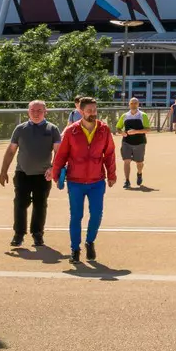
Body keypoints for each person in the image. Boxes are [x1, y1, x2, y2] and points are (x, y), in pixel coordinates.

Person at [48, 96, 117, 264]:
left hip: (97, 181)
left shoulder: (104, 130)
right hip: (75, 181)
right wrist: (56, 174)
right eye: (89, 111)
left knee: (96, 215)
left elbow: (109, 154)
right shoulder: (71, 131)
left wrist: (112, 174)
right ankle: (75, 249)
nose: (92, 113)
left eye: (95, 110)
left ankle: (90, 241)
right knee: (76, 215)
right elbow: (61, 155)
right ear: (81, 111)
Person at [0, 100, 61, 251]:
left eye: (39, 110)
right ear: (28, 112)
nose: (36, 113)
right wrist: (3, 170)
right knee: (19, 203)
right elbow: (11, 150)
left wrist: (53, 168)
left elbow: (59, 152)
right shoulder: (20, 129)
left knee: (40, 205)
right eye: (33, 110)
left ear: (46, 112)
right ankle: (19, 234)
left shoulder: (52, 129)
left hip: (43, 175)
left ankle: (37, 234)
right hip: (22, 173)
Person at [119, 98, 149, 189]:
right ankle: (127, 181)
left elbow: (148, 129)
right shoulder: (124, 116)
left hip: (139, 142)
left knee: (139, 163)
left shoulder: (143, 115)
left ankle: (139, 173)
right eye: (132, 103)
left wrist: (136, 131)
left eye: (135, 103)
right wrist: (121, 132)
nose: (133, 105)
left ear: (138, 104)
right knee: (126, 161)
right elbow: (118, 128)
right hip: (126, 142)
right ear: (129, 104)